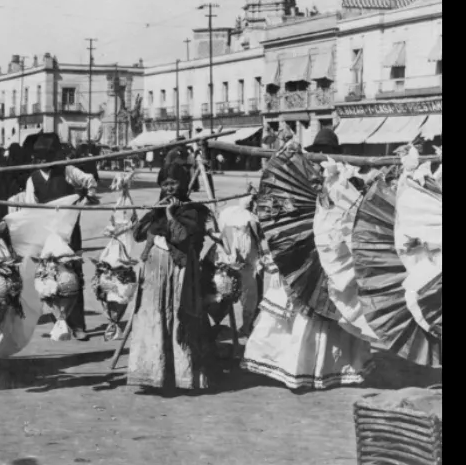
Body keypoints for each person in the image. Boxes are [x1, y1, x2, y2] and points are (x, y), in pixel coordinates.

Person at [241, 132, 372, 391]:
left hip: (330, 247)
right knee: (302, 300)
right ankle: (294, 366)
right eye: (319, 150)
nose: (322, 155)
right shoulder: (305, 174)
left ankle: (320, 369)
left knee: (328, 300)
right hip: (304, 245)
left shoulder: (347, 177)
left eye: (325, 151)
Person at [128, 162, 215, 393]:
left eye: (173, 183)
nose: (169, 188)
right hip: (154, 272)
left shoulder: (192, 210)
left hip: (179, 272)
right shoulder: (157, 209)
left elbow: (181, 237)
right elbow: (137, 234)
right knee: (154, 314)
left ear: (183, 184)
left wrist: (169, 214)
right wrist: (154, 211)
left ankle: (180, 377)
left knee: (177, 314)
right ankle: (154, 374)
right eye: (165, 184)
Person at [25, 133, 98, 340]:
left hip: (70, 231)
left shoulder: (67, 170)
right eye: (40, 158)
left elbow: (89, 180)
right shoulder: (33, 179)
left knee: (73, 275)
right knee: (50, 276)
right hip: (48, 233)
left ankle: (78, 325)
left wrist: (87, 199)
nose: (43, 161)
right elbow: (30, 207)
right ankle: (59, 320)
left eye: (47, 157)